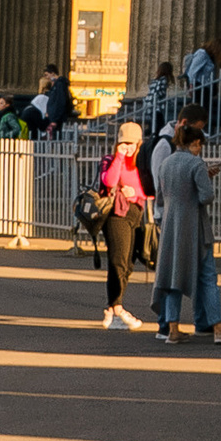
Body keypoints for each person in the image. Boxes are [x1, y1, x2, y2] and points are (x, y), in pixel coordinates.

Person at [151, 120, 220, 345]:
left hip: (171, 226)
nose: (200, 149)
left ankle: (172, 328)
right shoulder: (196, 164)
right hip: (194, 226)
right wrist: (205, 179)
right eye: (199, 145)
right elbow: (206, 197)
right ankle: (217, 326)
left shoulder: (166, 163)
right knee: (208, 276)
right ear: (195, 143)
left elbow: (160, 198)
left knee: (174, 278)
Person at [88, 120, 150, 330]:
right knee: (118, 261)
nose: (128, 147)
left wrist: (135, 193)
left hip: (136, 213)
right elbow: (109, 181)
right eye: (124, 143)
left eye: (132, 144)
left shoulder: (141, 163)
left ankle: (114, 306)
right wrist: (120, 156)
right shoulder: (111, 160)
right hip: (116, 214)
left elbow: (148, 190)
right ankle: (116, 307)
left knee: (129, 262)